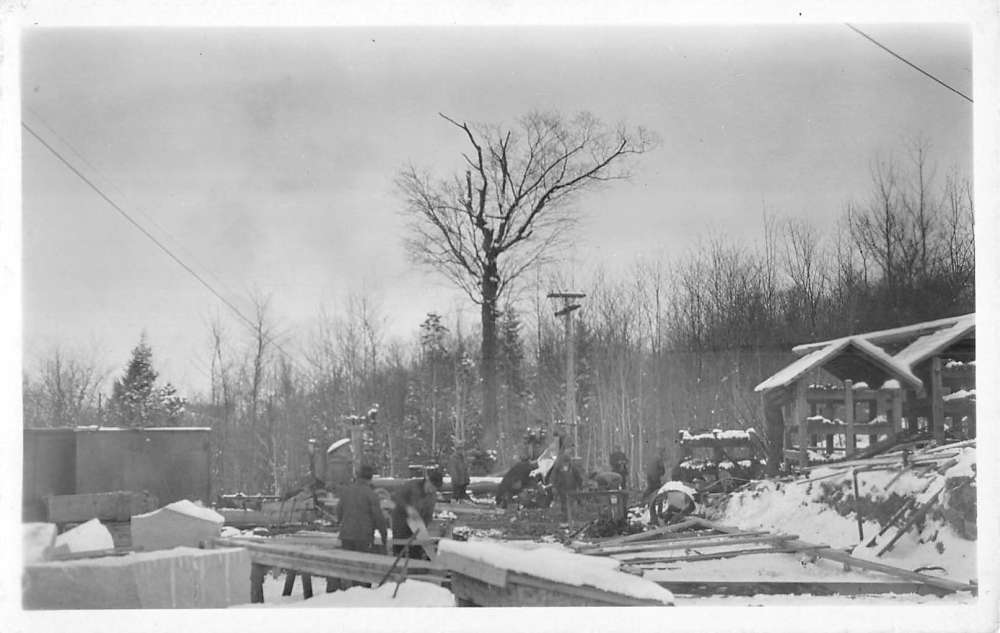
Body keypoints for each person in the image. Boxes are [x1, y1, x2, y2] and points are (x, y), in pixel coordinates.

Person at [335, 464, 388, 554]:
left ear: (358, 476)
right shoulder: (371, 494)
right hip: (363, 536)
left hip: (346, 535)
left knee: (349, 563)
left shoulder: (346, 491)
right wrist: (384, 536)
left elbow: (339, 510)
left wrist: (342, 523)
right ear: (371, 478)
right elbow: (378, 518)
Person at [390, 469, 442, 559]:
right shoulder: (412, 485)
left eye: (434, 489)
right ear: (427, 480)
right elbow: (396, 496)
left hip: (417, 526)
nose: (432, 490)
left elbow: (428, 515)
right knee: (400, 548)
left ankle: (415, 568)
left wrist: (423, 527)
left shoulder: (432, 497)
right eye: (431, 486)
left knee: (416, 551)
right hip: (401, 522)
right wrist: (407, 507)